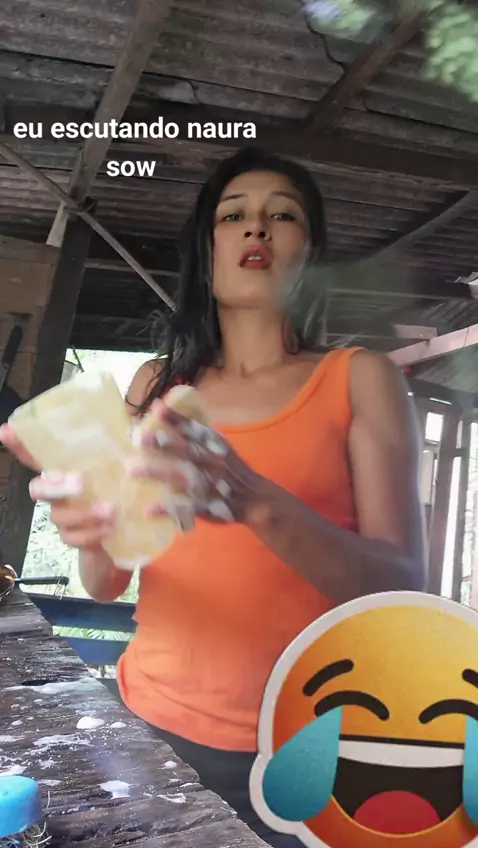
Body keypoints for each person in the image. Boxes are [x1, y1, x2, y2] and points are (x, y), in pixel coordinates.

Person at [0, 146, 427, 847]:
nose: (256, 227)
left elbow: (404, 590)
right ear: (208, 249)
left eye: (281, 216)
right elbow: (105, 584)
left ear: (310, 251)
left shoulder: (360, 378)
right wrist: (92, 528)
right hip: (149, 726)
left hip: (311, 752)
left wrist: (256, 501)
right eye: (235, 216)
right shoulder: (155, 386)